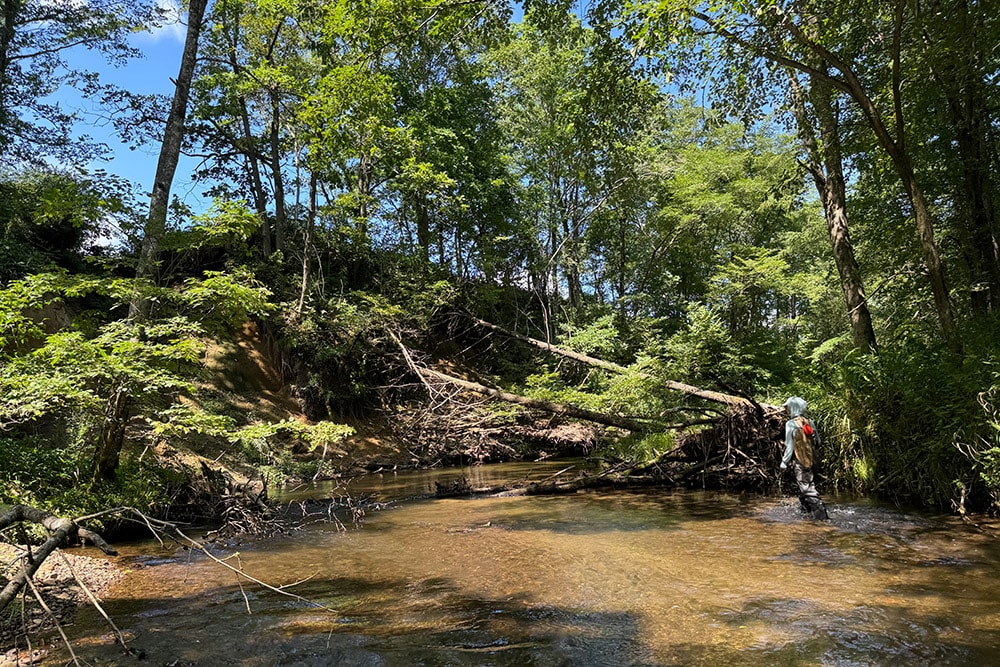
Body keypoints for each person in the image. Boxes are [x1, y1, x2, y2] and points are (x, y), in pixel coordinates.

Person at [780, 396, 829, 520]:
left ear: (793, 408)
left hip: (800, 461)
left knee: (807, 488)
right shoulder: (809, 422)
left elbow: (789, 446)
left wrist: (784, 461)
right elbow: (818, 442)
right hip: (812, 461)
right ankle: (805, 514)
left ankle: (822, 517)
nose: (786, 410)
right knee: (805, 486)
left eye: (788, 407)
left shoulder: (790, 424)